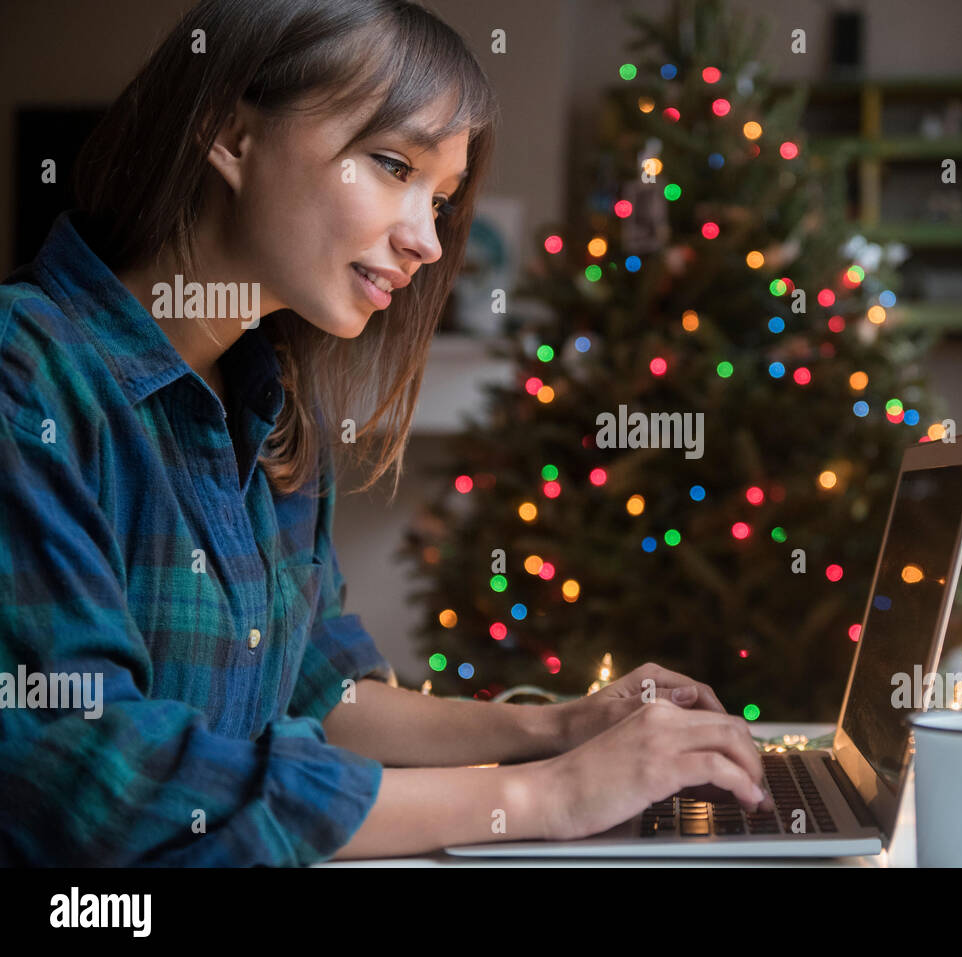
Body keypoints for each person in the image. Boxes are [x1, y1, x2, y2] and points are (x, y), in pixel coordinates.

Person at [0, 0, 770, 866]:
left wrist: (557, 726)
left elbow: (322, 690)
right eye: (393, 165)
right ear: (230, 133)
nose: (429, 242)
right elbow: (92, 779)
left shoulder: (275, 404)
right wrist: (541, 796)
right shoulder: (25, 374)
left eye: (440, 200)